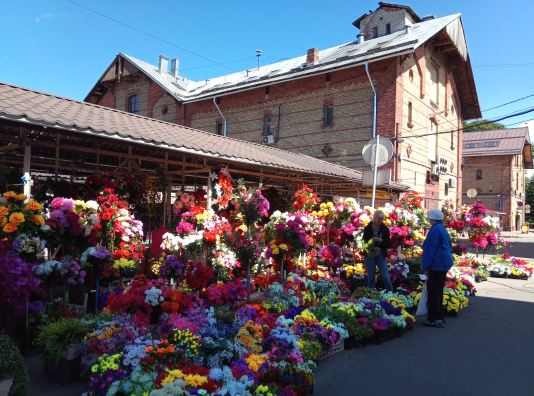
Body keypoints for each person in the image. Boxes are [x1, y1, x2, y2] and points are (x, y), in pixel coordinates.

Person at [422, 209, 453, 328]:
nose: (429, 220)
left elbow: (430, 250)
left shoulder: (434, 230)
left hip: (437, 264)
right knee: (439, 291)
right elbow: (449, 247)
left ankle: (434, 319)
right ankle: (440, 316)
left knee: (433, 292)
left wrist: (426, 266)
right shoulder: (442, 229)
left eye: (430, 218)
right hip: (444, 262)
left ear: (433, 219)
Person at [362, 210, 393, 292]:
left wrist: (379, 240)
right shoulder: (368, 228)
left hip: (380, 254)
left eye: (382, 219)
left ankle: (391, 295)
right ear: (374, 218)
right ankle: (371, 296)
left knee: (385, 277)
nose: (380, 221)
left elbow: (388, 244)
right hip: (370, 254)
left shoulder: (385, 229)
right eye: (379, 219)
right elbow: (364, 242)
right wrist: (372, 247)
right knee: (371, 277)